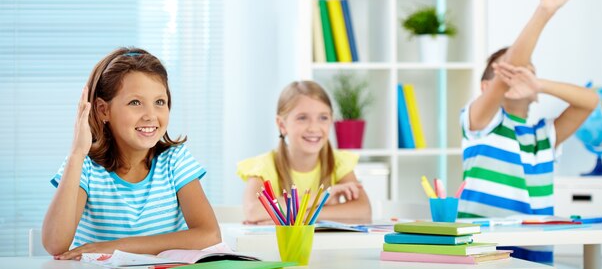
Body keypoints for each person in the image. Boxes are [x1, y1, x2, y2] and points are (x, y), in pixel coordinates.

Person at [458, 0, 599, 263]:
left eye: (528, 72)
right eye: (510, 72)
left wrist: (540, 84)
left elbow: (590, 101)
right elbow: (510, 68)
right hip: (481, 252)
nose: (518, 75)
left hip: (534, 254)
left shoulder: (543, 136)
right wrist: (544, 11)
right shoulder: (480, 124)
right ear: (486, 88)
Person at [42, 48, 221, 259]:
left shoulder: (175, 161)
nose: (151, 115)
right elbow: (55, 244)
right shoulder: (86, 166)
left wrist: (116, 246)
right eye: (135, 102)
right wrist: (76, 154)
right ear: (103, 110)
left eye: (159, 102)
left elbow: (209, 235)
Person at [237, 80, 371, 224]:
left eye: (323, 118)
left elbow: (364, 211)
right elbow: (253, 211)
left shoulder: (338, 162)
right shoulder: (264, 166)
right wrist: (324, 196)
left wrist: (299, 218)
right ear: (282, 125)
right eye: (302, 118)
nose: (314, 128)